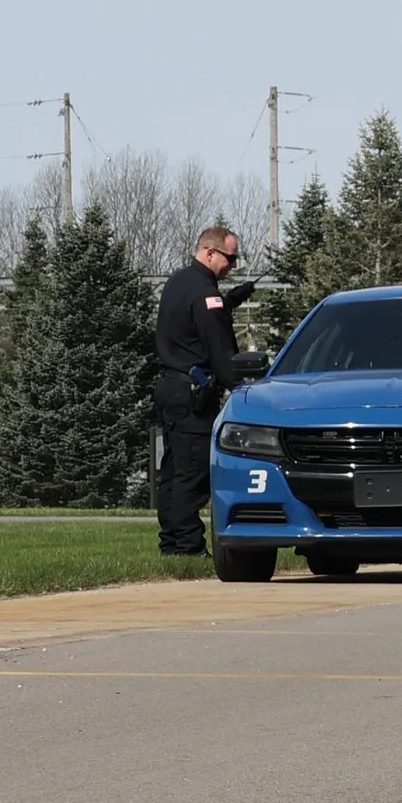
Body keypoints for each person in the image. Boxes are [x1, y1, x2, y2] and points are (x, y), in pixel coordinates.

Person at [152, 221, 262, 565]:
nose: (232, 264)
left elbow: (192, 325)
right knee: (194, 470)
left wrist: (230, 300)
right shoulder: (206, 294)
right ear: (210, 251)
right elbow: (219, 350)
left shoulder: (179, 282)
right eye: (229, 258)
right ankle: (188, 545)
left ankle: (171, 541)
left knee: (172, 467)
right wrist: (243, 389)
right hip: (194, 394)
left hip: (170, 388)